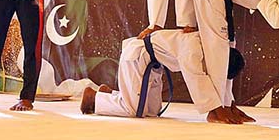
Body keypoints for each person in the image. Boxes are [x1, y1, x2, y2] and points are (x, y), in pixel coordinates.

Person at [80, 29, 245, 124]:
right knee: (133, 112)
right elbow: (197, 81)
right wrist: (216, 110)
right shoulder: (194, 50)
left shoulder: (213, 49)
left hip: (152, 65)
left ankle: (109, 95)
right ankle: (93, 97)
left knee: (152, 112)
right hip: (139, 58)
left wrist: (229, 105)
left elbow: (218, 82)